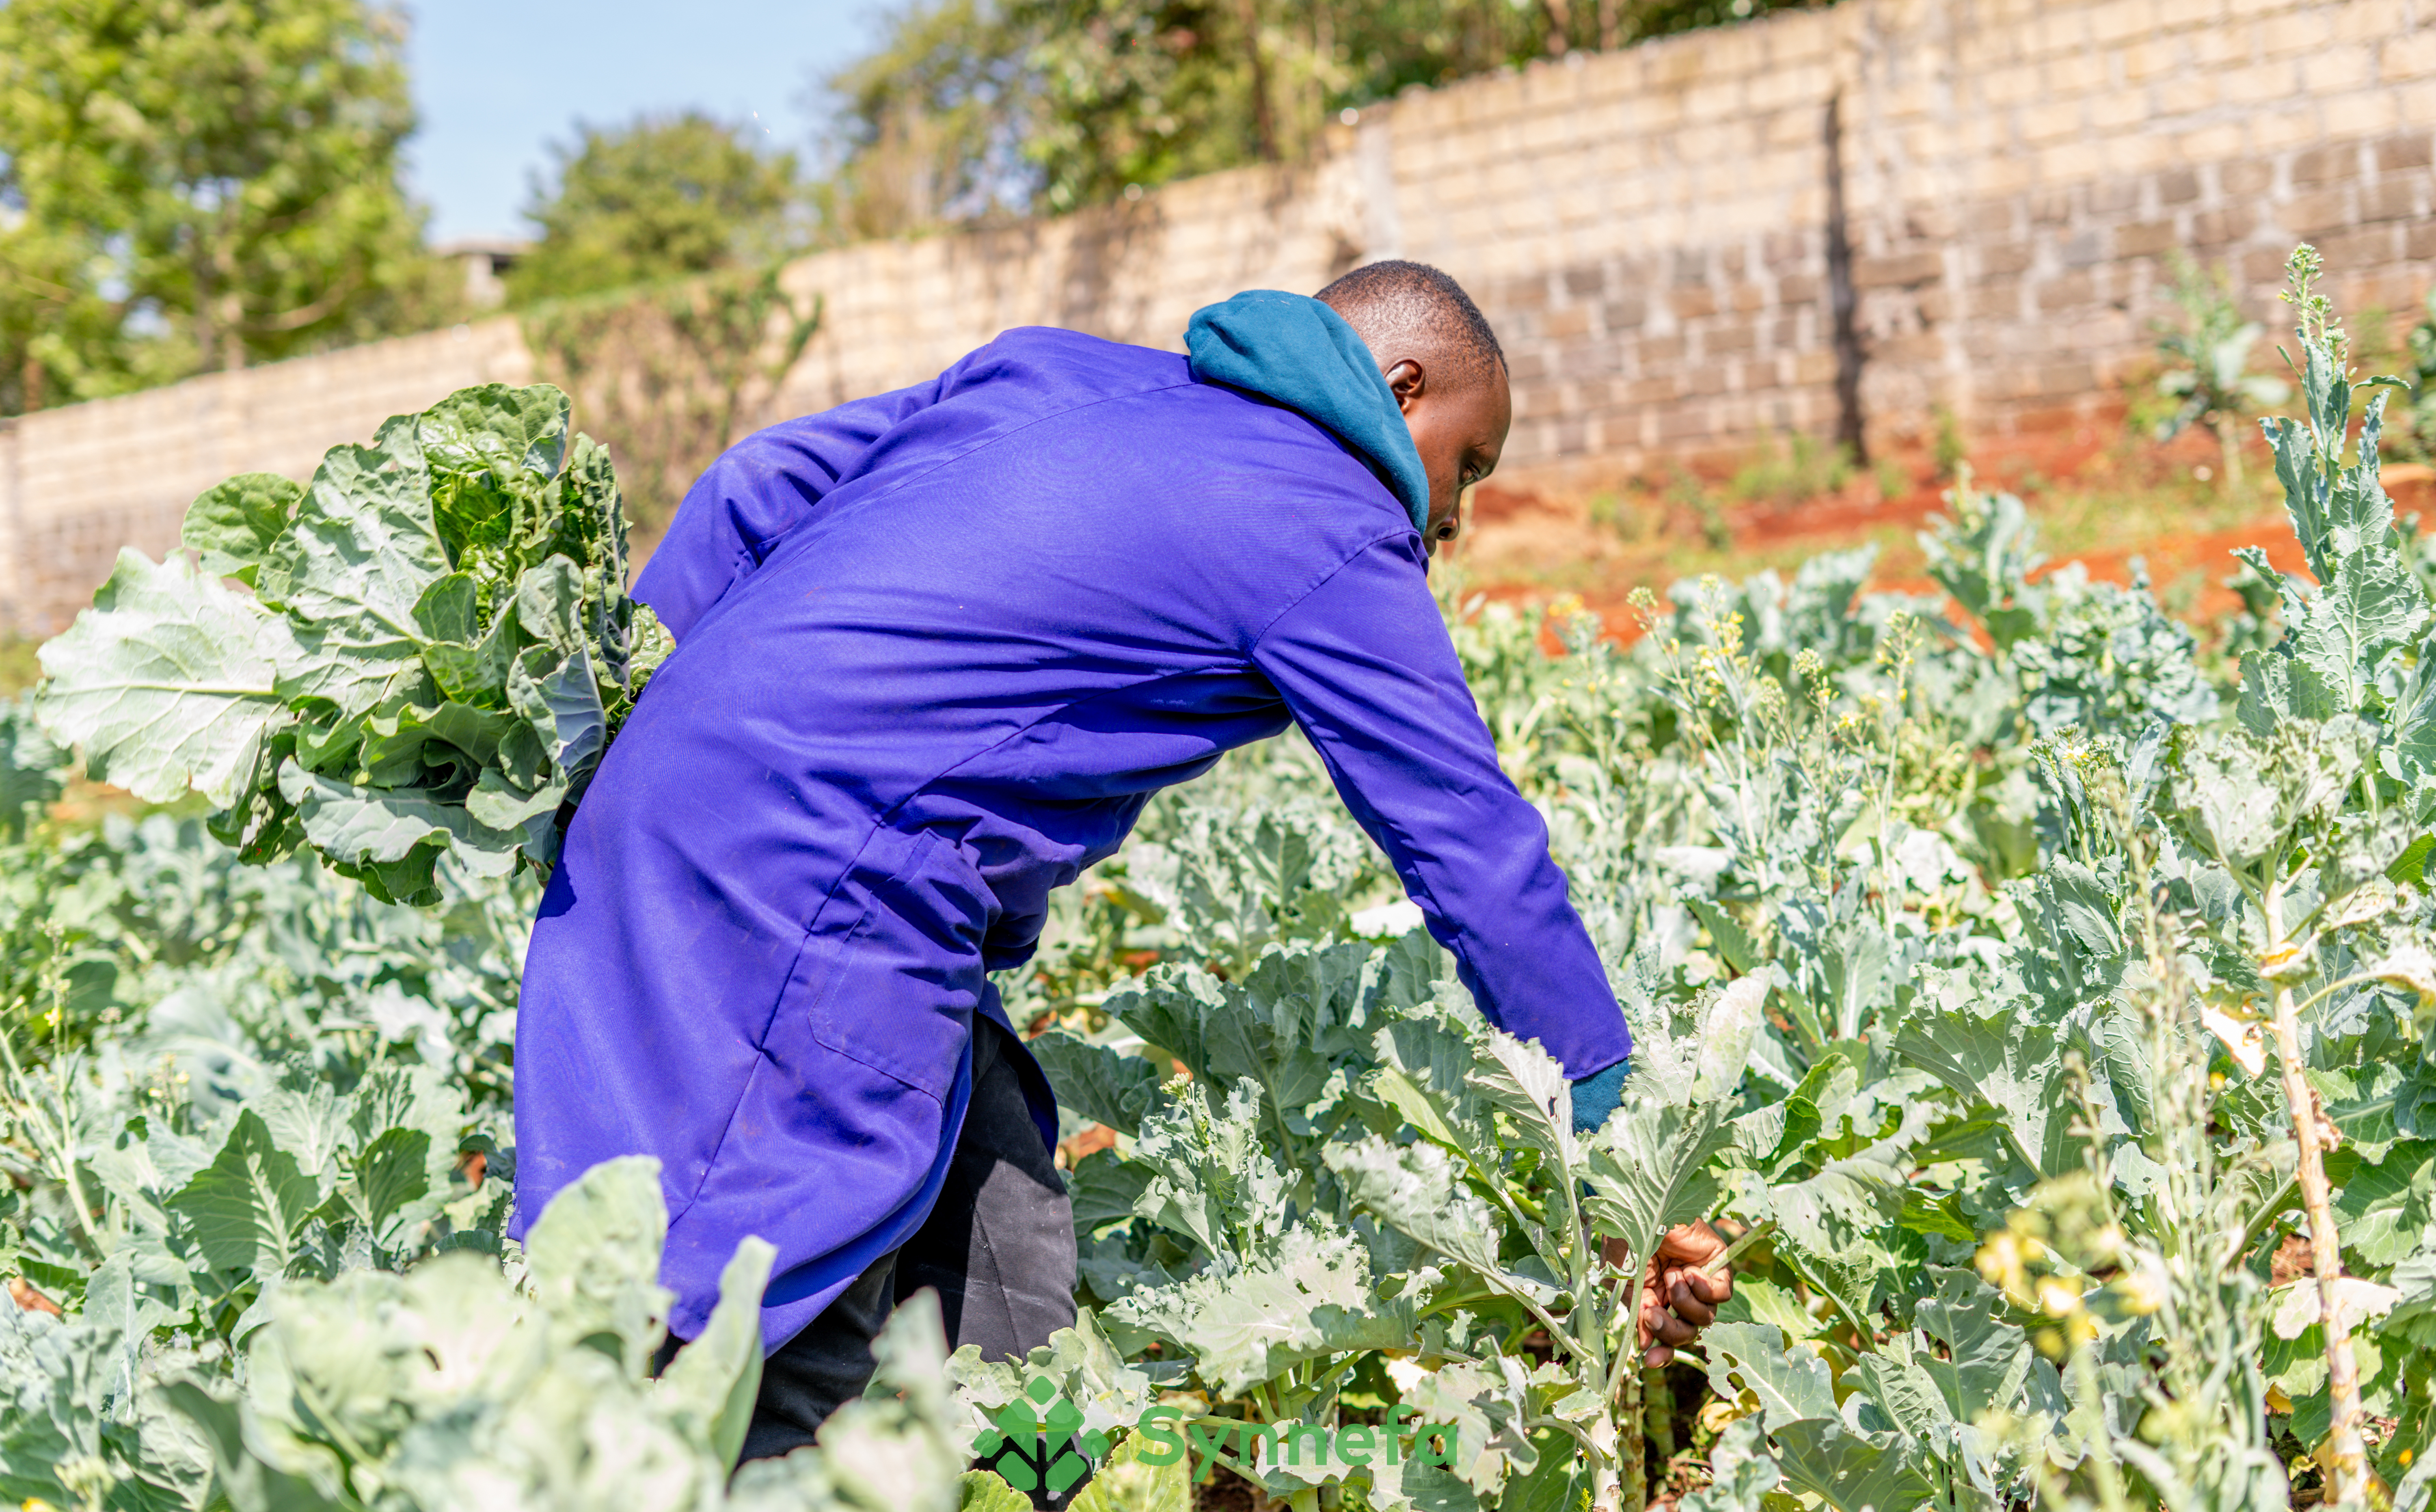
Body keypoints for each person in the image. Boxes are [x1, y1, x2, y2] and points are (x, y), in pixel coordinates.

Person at [509, 261, 1731, 1461]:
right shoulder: (1329, 520)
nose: (1457, 515)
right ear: (1401, 387)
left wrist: (635, 737)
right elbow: (1469, 841)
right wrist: (1616, 1135)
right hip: (816, 880)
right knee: (772, 1312)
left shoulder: (1056, 371)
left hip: (683, 813)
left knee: (993, 1229)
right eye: (1467, 463)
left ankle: (1020, 1482)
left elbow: (751, 483)